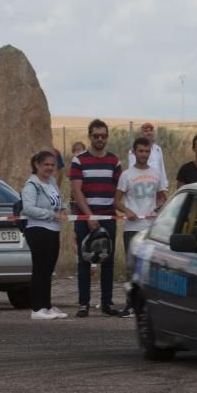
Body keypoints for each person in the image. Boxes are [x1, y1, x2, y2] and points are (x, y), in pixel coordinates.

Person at [69, 119, 123, 318]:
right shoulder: (78, 161)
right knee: (84, 261)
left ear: (107, 137)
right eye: (96, 135)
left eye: (103, 135)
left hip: (108, 217)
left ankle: (107, 303)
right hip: (85, 217)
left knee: (107, 261)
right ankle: (84, 304)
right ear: (89, 136)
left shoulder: (114, 161)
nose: (100, 139)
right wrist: (89, 215)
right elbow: (76, 190)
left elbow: (120, 189)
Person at [116, 137, 166, 317]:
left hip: (151, 227)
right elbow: (117, 201)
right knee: (132, 268)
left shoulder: (156, 173)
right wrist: (127, 211)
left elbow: (162, 195)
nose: (143, 154)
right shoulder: (126, 175)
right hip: (132, 227)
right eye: (140, 151)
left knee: (151, 267)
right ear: (134, 152)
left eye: (146, 151)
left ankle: (151, 305)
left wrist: (160, 205)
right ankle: (130, 305)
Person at [21, 150, 69, 320]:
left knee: (48, 270)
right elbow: (28, 208)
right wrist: (51, 214)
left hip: (53, 230)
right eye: (46, 165)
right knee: (40, 269)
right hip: (38, 229)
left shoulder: (52, 182)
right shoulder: (31, 185)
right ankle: (37, 308)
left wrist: (62, 209)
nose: (49, 168)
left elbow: (58, 200)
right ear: (37, 165)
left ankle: (47, 306)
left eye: (52, 165)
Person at [126, 122, 169, 188]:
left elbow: (162, 169)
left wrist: (164, 186)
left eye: (151, 130)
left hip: (158, 185)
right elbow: (133, 170)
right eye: (146, 131)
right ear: (142, 134)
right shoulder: (134, 151)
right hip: (143, 185)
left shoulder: (158, 149)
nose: (149, 133)